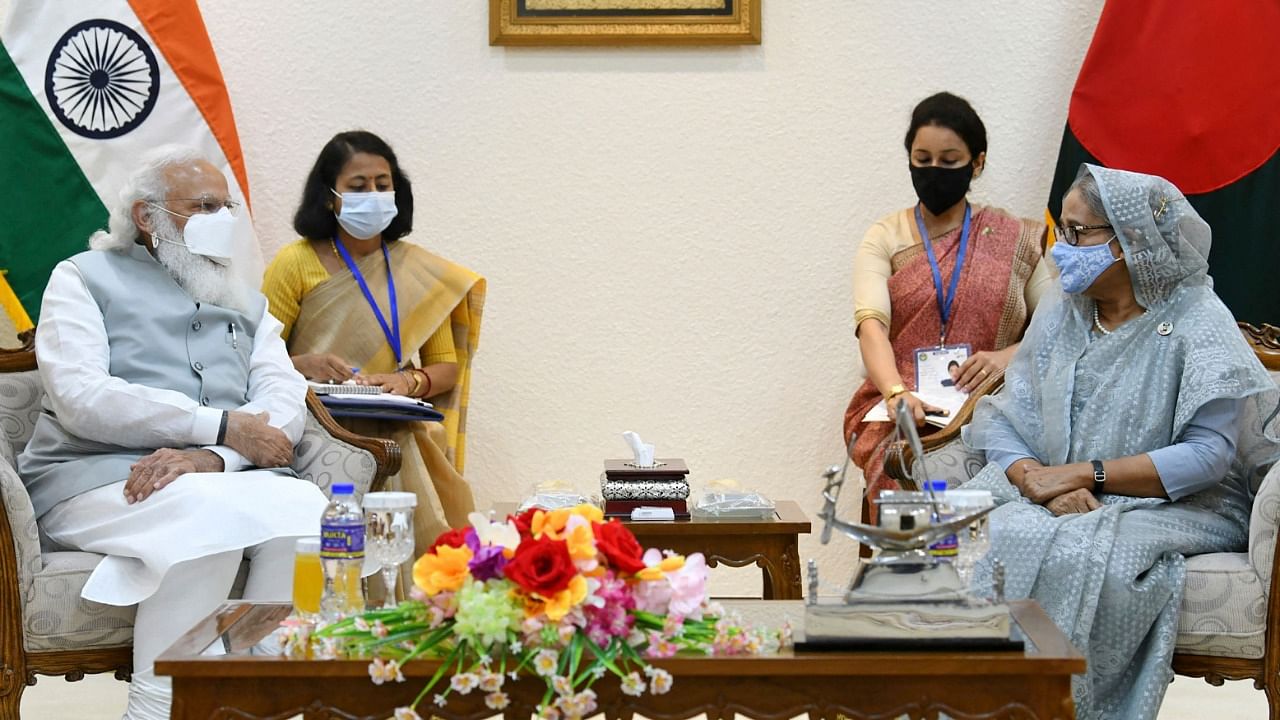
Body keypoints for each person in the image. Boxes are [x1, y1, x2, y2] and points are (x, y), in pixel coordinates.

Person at [17, 145, 330, 720]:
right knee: (203, 515)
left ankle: (251, 684)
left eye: (228, 207)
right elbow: (83, 397)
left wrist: (216, 455)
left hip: (217, 477)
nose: (224, 220)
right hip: (91, 480)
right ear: (147, 217)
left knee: (308, 510)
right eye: (205, 206)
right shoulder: (82, 278)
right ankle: (158, 703)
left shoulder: (248, 302)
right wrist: (218, 425)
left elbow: (284, 399)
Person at [961, 165, 1280, 719]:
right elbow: (1003, 417)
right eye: (1061, 231)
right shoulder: (1062, 312)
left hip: (1177, 503)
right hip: (1050, 489)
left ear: (1129, 238)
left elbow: (1210, 455)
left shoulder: (1199, 320)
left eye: (1078, 233)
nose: (1062, 249)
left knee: (1094, 554)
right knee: (987, 533)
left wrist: (1085, 475)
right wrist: (1035, 480)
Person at [262, 130, 484, 557]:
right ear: (330, 197)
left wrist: (409, 382)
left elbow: (445, 367)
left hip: (397, 442)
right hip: (318, 438)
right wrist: (304, 362)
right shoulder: (296, 262)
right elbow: (255, 356)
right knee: (328, 560)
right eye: (359, 186)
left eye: (383, 185)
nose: (375, 195)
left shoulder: (418, 270)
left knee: (404, 564)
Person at [843, 92, 1052, 513]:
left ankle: (987, 570)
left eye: (949, 160)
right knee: (904, 459)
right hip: (902, 406)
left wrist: (1007, 357)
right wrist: (897, 392)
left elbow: (1058, 324)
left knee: (1013, 457)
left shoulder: (1015, 238)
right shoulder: (886, 235)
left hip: (995, 401)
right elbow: (871, 326)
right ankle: (912, 570)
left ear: (977, 162)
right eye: (922, 159)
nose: (933, 171)